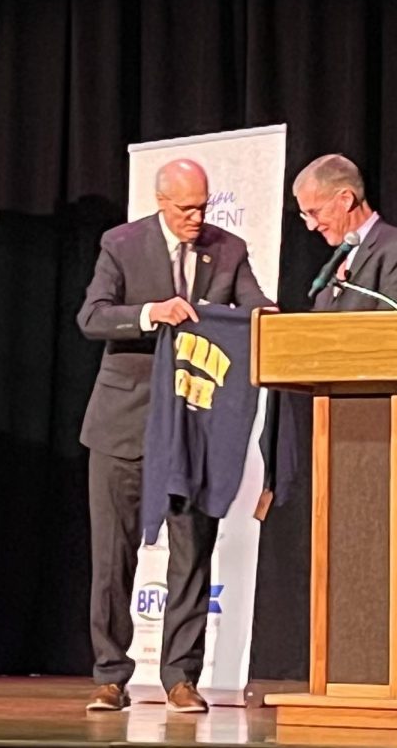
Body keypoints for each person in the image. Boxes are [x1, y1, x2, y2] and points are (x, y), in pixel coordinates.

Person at [77, 158, 273, 715]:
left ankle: (182, 677)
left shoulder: (227, 249)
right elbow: (92, 317)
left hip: (194, 425)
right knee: (113, 557)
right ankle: (110, 676)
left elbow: (252, 304)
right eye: (186, 208)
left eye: (203, 207)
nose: (196, 217)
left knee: (193, 552)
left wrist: (268, 319)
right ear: (162, 202)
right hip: (124, 423)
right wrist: (149, 313)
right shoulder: (121, 244)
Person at [292, 153, 397, 310]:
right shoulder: (333, 265)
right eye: (305, 216)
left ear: (346, 199)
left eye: (314, 212)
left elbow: (394, 327)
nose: (311, 226)